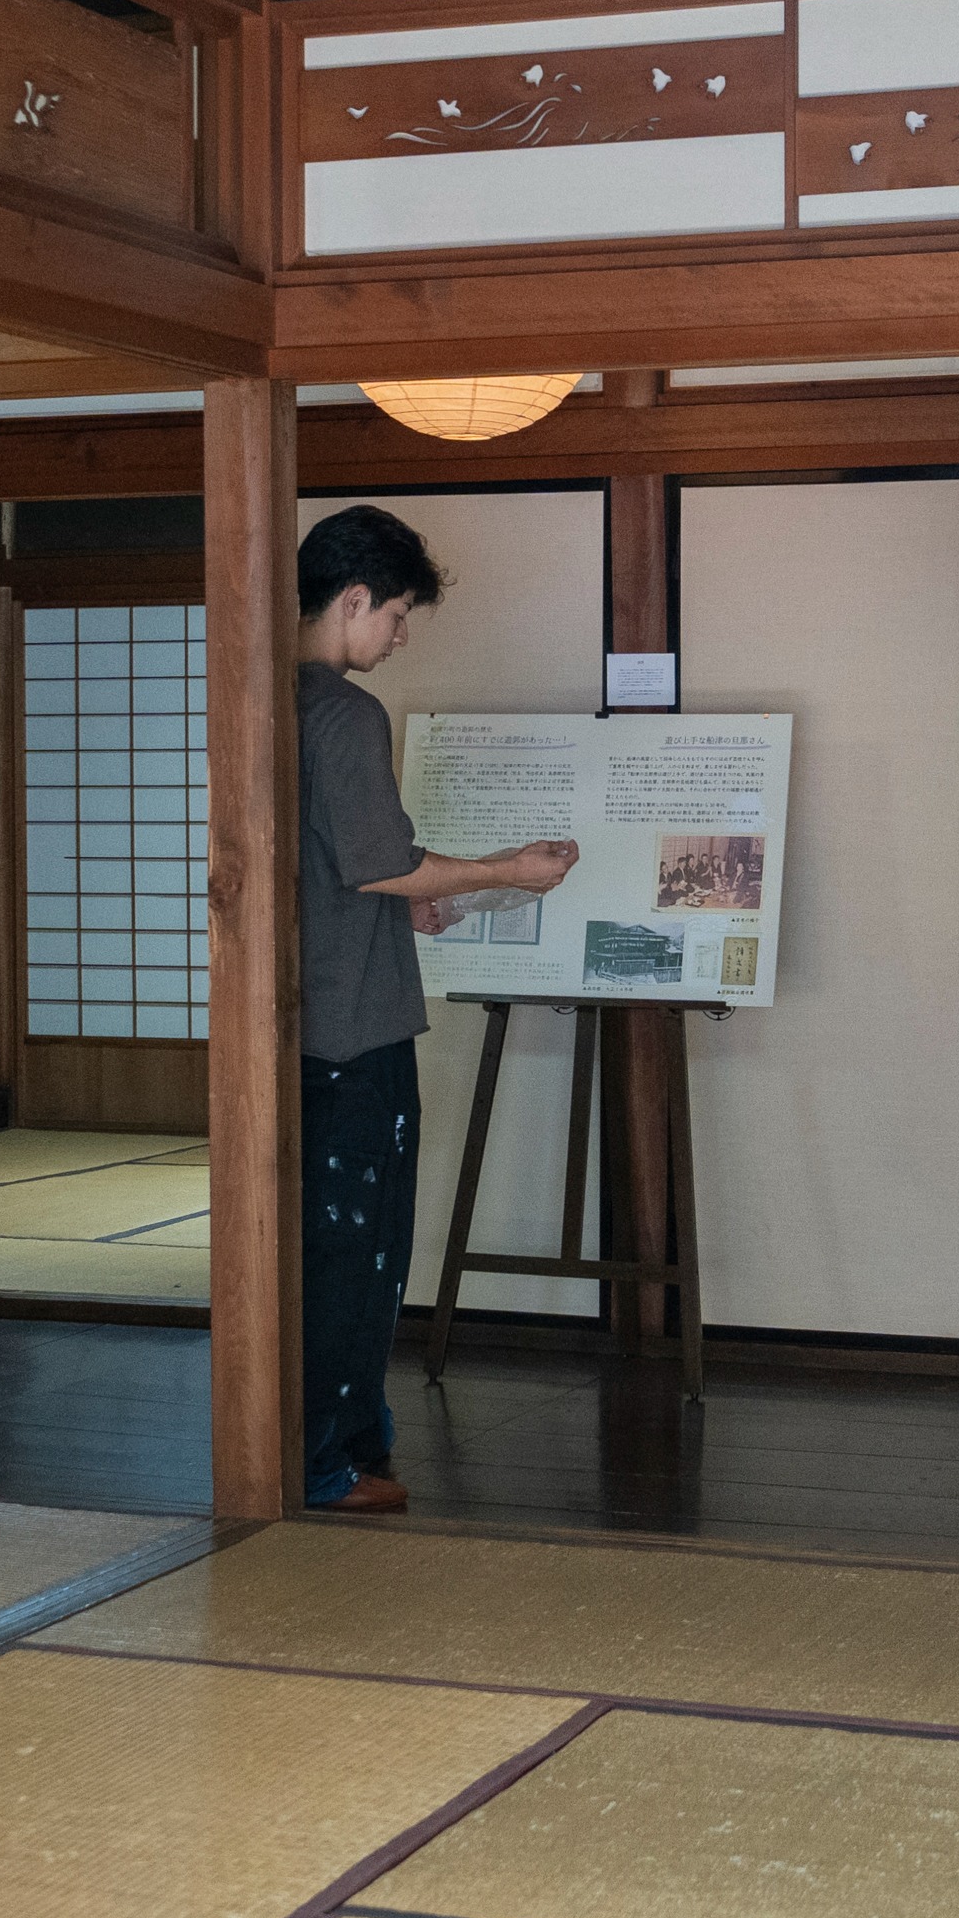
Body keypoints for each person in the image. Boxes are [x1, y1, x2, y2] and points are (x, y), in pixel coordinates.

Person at [290, 505, 576, 1514]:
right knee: (355, 1255)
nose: (400, 637)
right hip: (352, 1033)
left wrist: (427, 905)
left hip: (296, 1019)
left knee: (321, 1248)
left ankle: (324, 1450)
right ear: (354, 599)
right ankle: (331, 1462)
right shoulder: (343, 714)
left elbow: (320, 877)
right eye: (398, 615)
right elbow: (377, 864)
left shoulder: (263, 700)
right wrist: (512, 871)